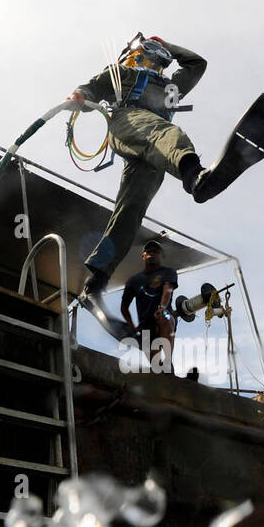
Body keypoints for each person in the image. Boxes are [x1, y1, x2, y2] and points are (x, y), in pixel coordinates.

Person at [67, 35, 220, 306]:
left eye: (161, 56)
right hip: (129, 124)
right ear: (137, 55)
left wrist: (170, 45)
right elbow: (92, 88)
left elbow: (197, 64)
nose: (157, 60)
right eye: (152, 53)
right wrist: (80, 96)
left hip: (154, 152)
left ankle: (97, 280)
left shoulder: (171, 87)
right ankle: (194, 175)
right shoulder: (124, 74)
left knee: (130, 211)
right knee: (166, 132)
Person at [120, 240, 178, 370]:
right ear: (143, 256)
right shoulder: (133, 281)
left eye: (156, 251)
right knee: (156, 366)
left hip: (165, 316)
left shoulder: (168, 272)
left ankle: (168, 361)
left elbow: (167, 290)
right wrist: (133, 328)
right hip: (145, 325)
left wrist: (162, 307)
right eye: (149, 251)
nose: (152, 254)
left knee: (165, 317)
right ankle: (162, 372)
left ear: (160, 255)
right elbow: (124, 308)